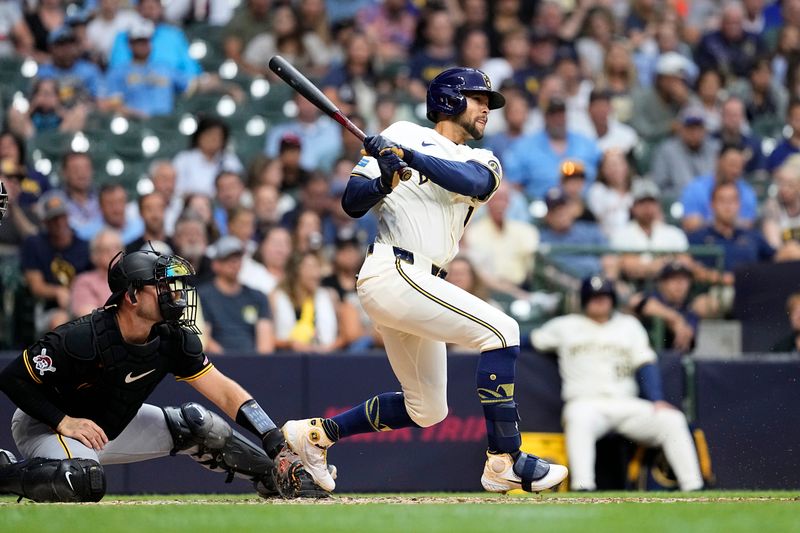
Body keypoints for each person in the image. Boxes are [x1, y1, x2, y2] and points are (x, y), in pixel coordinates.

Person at [279, 67, 568, 494]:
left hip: (419, 281)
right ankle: (505, 459)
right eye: (478, 98)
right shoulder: (401, 132)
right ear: (450, 99)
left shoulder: (482, 159)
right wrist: (384, 178)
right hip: (392, 269)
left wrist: (409, 159)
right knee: (503, 331)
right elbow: (352, 202)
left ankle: (317, 436)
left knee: (428, 409)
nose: (487, 108)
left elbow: (470, 181)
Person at [0, 249, 326, 502]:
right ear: (131, 296)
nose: (174, 292)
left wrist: (274, 442)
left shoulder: (173, 338)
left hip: (108, 427)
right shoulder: (81, 337)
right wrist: (63, 421)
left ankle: (273, 477)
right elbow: (12, 378)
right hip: (46, 426)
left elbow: (225, 392)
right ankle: (5, 472)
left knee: (199, 424)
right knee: (84, 479)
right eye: (161, 285)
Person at [531, 276, 704, 492]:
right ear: (584, 300)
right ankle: (583, 488)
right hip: (586, 402)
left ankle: (694, 487)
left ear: (612, 298)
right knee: (579, 418)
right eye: (594, 297)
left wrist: (656, 399)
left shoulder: (629, 325)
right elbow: (531, 340)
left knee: (672, 420)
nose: (599, 301)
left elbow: (645, 364)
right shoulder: (564, 326)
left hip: (626, 402)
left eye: (604, 296)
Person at [22, 191, 91, 332]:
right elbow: (35, 286)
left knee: (89, 315)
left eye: (62, 216)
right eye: (53, 218)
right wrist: (57, 292)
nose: (59, 223)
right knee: (60, 322)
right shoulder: (34, 244)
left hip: (81, 303)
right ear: (45, 222)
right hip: (48, 308)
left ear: (68, 216)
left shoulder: (83, 246)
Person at [197, 236, 274, 355]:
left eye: (238, 258)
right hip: (217, 363)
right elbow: (203, 337)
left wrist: (258, 363)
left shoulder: (258, 296)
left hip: (254, 363)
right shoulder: (202, 296)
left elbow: (265, 344)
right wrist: (230, 361)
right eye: (228, 258)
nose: (234, 263)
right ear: (215, 264)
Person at [650, 107, 721, 198]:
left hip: (712, 203)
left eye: (698, 128)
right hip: (679, 202)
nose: (695, 133)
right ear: (681, 128)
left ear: (705, 130)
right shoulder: (666, 151)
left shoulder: (714, 149)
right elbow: (659, 186)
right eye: (690, 128)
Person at [629, 262, 700, 353]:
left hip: (671, 361)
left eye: (683, 279)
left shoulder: (690, 311)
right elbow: (635, 302)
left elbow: (688, 336)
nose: (679, 284)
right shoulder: (653, 297)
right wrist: (674, 318)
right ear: (662, 283)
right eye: (673, 279)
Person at [69, 228, 124, 317]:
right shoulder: (84, 281)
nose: (113, 253)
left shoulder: (132, 279)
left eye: (117, 248)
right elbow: (89, 317)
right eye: (107, 249)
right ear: (95, 255)